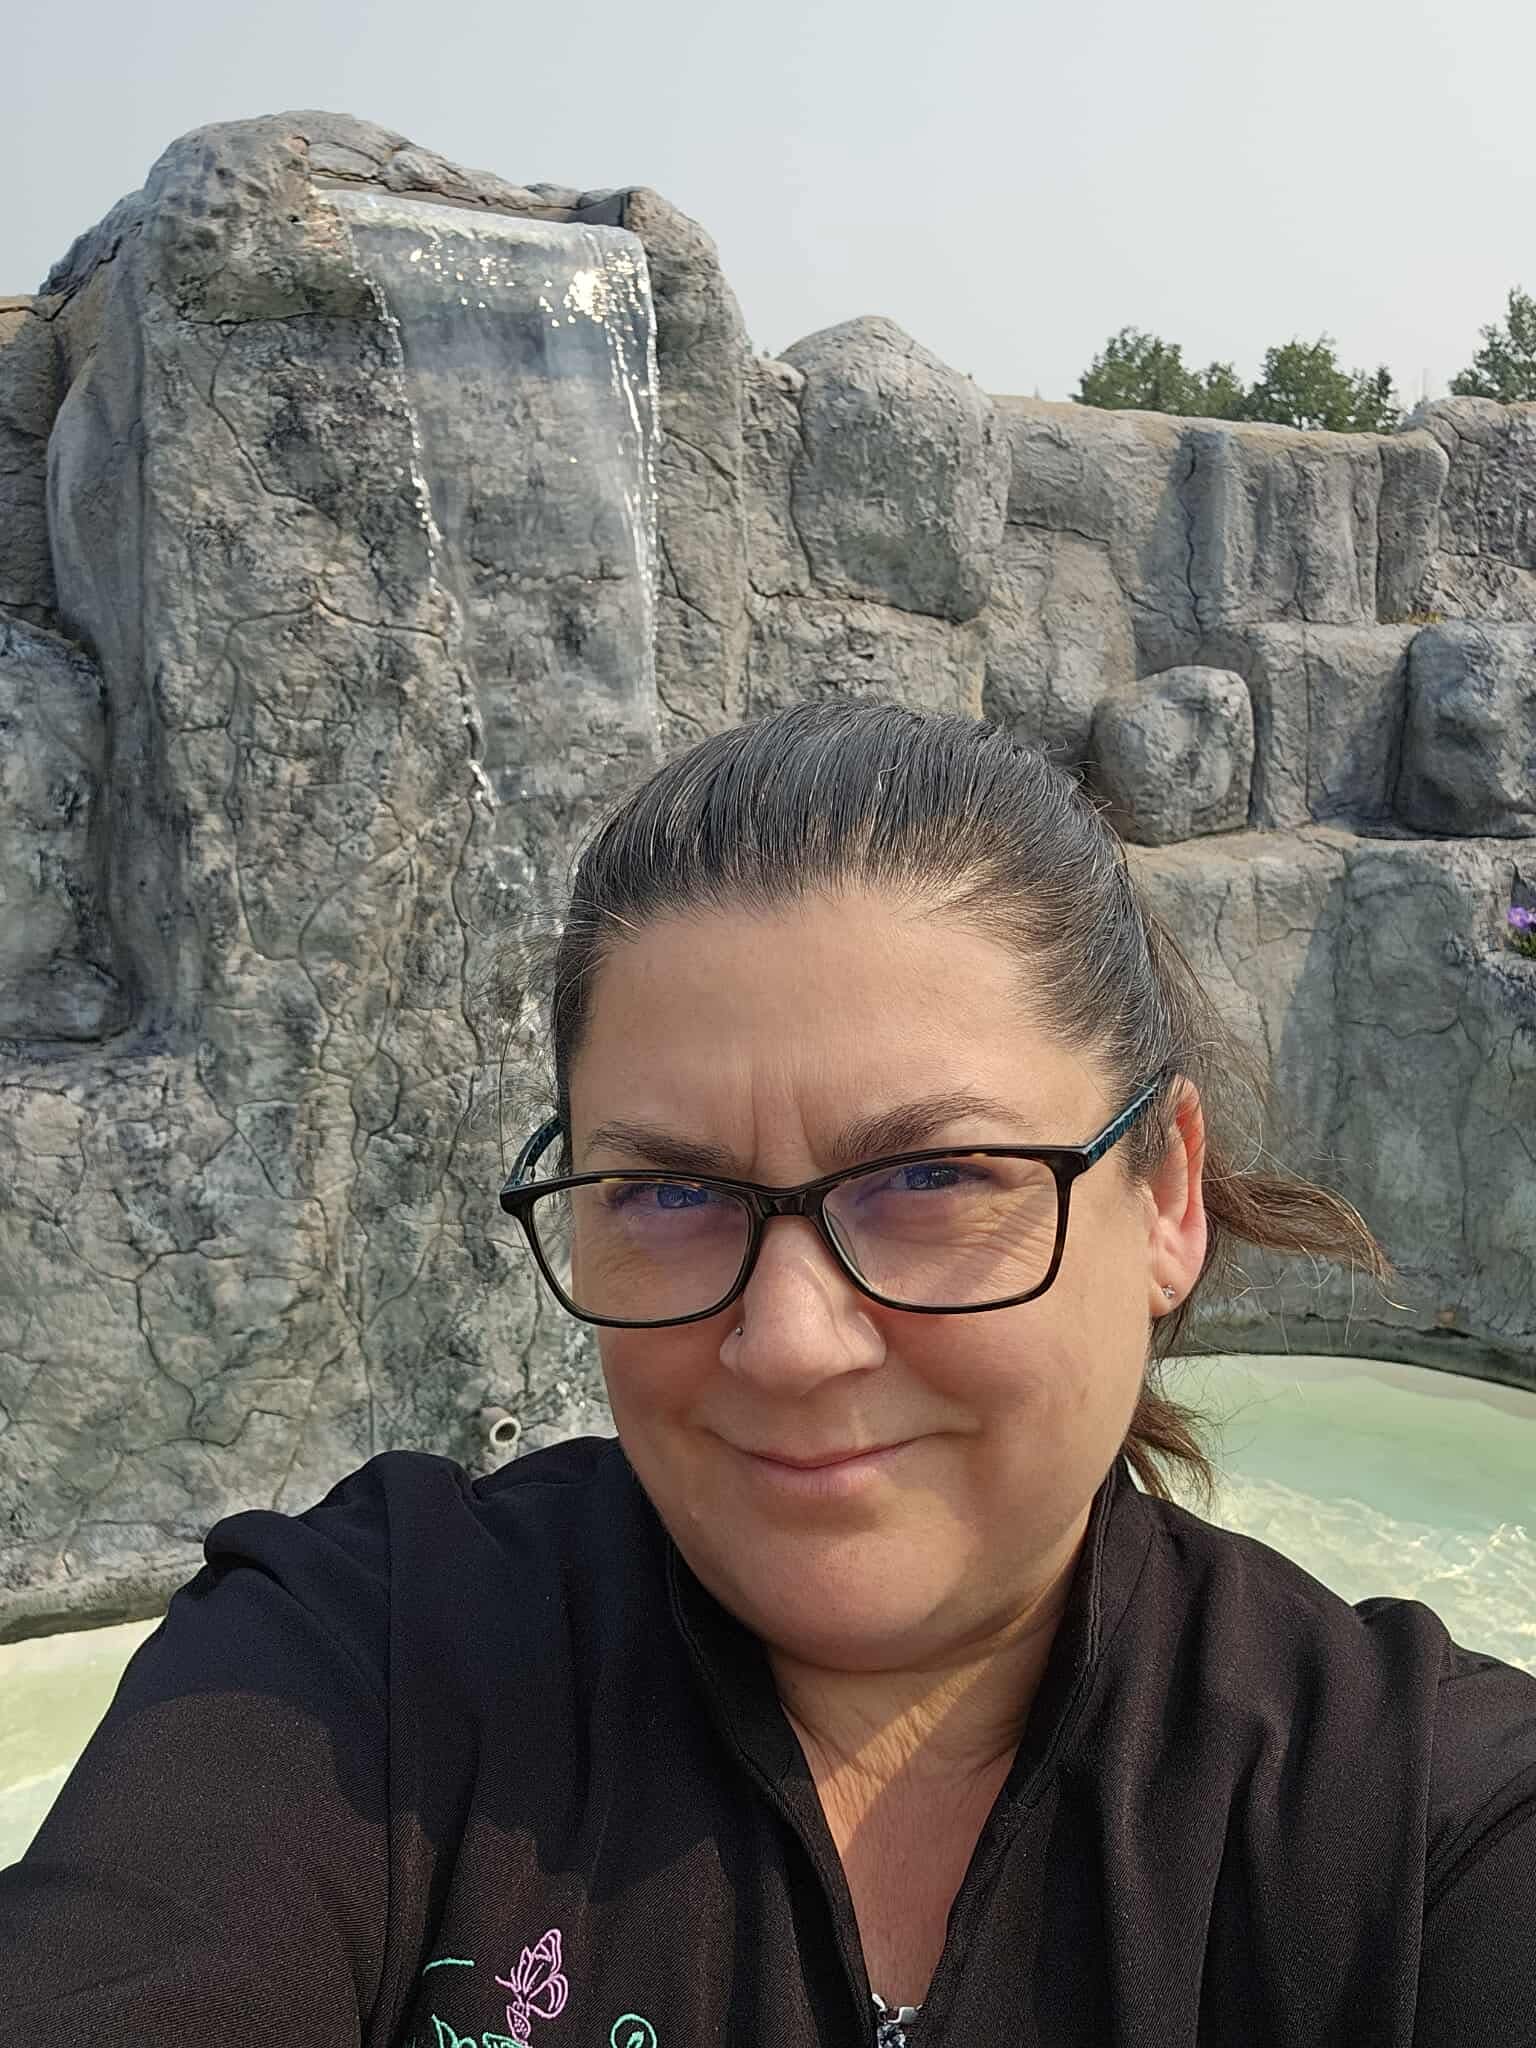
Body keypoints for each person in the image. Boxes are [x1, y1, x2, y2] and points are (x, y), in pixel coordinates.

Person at [2, 699, 1533, 2047]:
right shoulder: (354, 1670)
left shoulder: (1417, 1820)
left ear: (1169, 1198)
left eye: (935, 1177)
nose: (790, 1343)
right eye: (668, 1194)